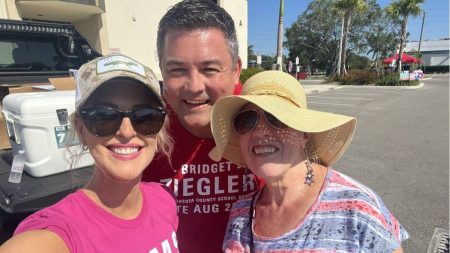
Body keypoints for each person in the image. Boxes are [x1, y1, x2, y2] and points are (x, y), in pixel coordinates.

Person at [210, 70, 409, 253]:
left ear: (304, 133)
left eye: (277, 118)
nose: (260, 132)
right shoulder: (240, 214)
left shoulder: (356, 207)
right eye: (247, 121)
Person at [0, 54, 179, 253]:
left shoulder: (165, 200)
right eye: (104, 116)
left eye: (146, 116)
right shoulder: (62, 230)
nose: (126, 132)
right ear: (80, 129)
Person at [142, 1, 261, 252]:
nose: (194, 86)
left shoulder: (266, 118)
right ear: (162, 70)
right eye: (177, 70)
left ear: (236, 70)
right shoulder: (142, 129)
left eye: (209, 69)